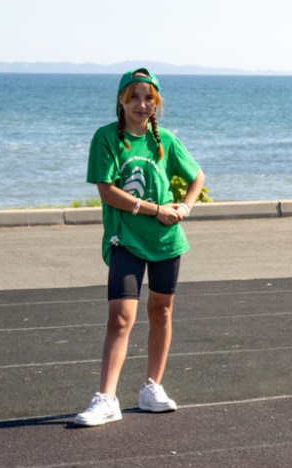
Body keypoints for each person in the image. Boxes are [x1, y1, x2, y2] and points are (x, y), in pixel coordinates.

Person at [74, 68, 205, 427]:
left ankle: (152, 389)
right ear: (120, 100)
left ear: (156, 104)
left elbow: (197, 176)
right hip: (126, 240)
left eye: (149, 98)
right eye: (133, 97)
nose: (141, 104)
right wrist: (155, 209)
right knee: (120, 318)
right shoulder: (105, 138)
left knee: (161, 312)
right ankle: (106, 399)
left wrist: (185, 207)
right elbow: (107, 191)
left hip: (166, 241)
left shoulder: (166, 141)